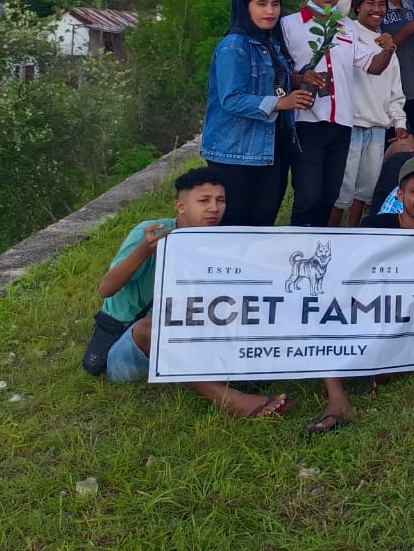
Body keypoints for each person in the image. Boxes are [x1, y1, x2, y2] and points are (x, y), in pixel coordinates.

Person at [300, 155, 414, 434]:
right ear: (400, 195)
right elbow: (348, 276)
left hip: (407, 329)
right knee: (318, 317)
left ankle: (386, 372)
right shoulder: (374, 226)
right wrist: (413, 239)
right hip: (366, 321)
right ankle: (338, 401)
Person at [89, 167, 291, 418]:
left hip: (186, 336)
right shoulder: (151, 232)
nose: (214, 208)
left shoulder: (218, 241)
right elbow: (106, 288)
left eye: (221, 200)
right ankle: (231, 400)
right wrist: (144, 250)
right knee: (155, 326)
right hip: (127, 346)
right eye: (204, 200)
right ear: (181, 206)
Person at [202, 0, 312, 227]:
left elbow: (275, 84)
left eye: (275, 4)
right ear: (246, 7)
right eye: (261, 4)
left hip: (272, 149)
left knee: (262, 224)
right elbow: (231, 99)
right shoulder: (234, 45)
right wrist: (282, 103)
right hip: (236, 152)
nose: (270, 11)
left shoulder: (270, 43)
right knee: (234, 225)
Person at [279, 0, 359, 228]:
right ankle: (296, 250)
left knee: (329, 196)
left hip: (342, 123)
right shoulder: (287, 25)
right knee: (308, 197)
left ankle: (321, 252)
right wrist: (301, 79)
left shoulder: (347, 26)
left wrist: (387, 47)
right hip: (305, 121)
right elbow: (276, 72)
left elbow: (371, 64)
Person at [329, 0, 407, 228]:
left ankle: (354, 234)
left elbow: (395, 90)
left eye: (381, 4)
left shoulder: (387, 43)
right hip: (350, 124)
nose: (376, 9)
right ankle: (329, 233)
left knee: (365, 188)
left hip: (377, 126)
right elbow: (337, 5)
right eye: (370, 3)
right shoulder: (344, 31)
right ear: (357, 6)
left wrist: (400, 123)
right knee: (342, 187)